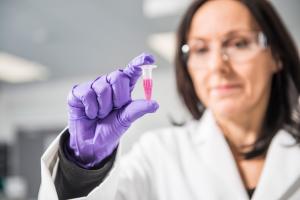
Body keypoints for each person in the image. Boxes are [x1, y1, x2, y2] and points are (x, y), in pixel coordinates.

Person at [38, 0, 300, 199]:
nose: (217, 66)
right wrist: (81, 170)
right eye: (200, 49)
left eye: (239, 43)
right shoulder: (157, 154)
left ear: (275, 55)